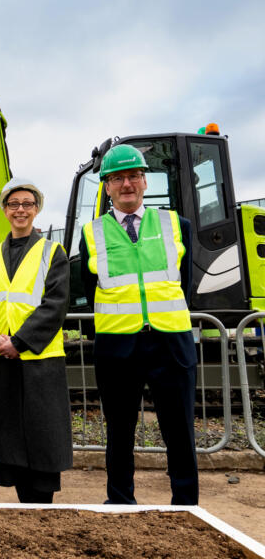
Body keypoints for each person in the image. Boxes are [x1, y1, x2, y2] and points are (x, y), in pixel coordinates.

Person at [80, 144, 198, 505]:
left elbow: (185, 283)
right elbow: (91, 289)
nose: (126, 184)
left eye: (133, 176)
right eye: (118, 178)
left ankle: (186, 503)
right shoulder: (91, 233)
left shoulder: (175, 224)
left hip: (170, 341)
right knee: (119, 431)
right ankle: (119, 501)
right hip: (117, 345)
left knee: (179, 430)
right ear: (108, 187)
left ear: (145, 181)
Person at [0, 178, 72, 504]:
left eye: (27, 204)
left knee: (42, 439)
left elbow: (55, 304)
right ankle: (24, 503)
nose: (20, 210)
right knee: (9, 439)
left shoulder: (52, 252)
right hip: (1, 359)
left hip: (39, 361)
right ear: (4, 210)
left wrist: (21, 341)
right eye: (14, 204)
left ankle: (41, 506)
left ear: (36, 209)